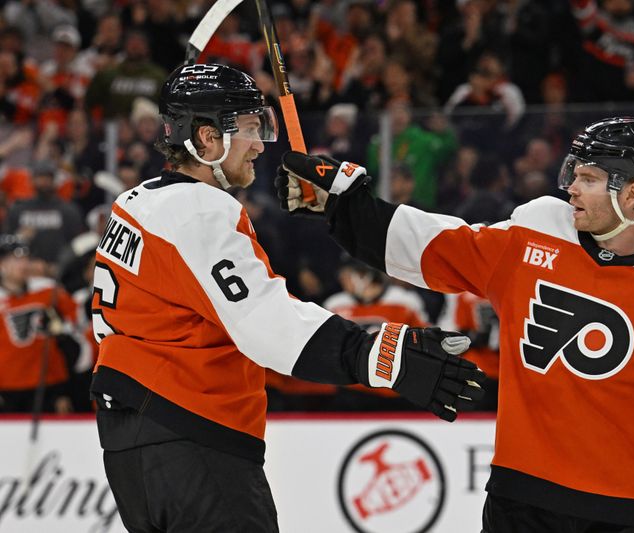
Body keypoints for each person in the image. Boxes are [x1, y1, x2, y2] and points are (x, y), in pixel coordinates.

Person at [276, 116, 634, 532]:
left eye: (589, 179)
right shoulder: (537, 233)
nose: (571, 186)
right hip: (520, 500)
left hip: (627, 514)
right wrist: (339, 202)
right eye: (574, 173)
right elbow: (433, 244)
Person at [89, 63, 485, 533]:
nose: (261, 144)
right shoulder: (200, 209)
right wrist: (378, 354)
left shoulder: (134, 203)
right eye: (252, 128)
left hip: (133, 447)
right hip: (192, 435)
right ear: (207, 138)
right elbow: (267, 325)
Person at [0, 235, 80, 414]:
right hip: (7, 390)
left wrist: (61, 328)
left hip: (49, 385)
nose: (22, 264)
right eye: (14, 259)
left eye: (24, 258)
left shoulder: (48, 289)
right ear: (1, 265)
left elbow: (77, 324)